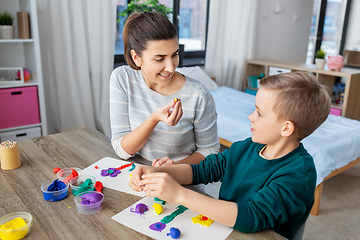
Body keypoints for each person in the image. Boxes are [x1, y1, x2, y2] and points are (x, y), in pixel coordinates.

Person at [129, 71, 331, 239]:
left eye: (259, 113)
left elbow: (251, 217)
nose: (251, 117)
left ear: (286, 128)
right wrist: (157, 171)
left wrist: (180, 194)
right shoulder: (248, 147)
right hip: (226, 228)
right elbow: (202, 170)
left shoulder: (299, 174)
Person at [109, 11, 219, 166]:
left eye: (174, 55)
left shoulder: (198, 95)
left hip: (182, 182)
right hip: (136, 176)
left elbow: (210, 150)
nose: (171, 67)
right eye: (160, 59)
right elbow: (122, 151)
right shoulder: (122, 79)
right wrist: (154, 119)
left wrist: (174, 169)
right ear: (136, 58)